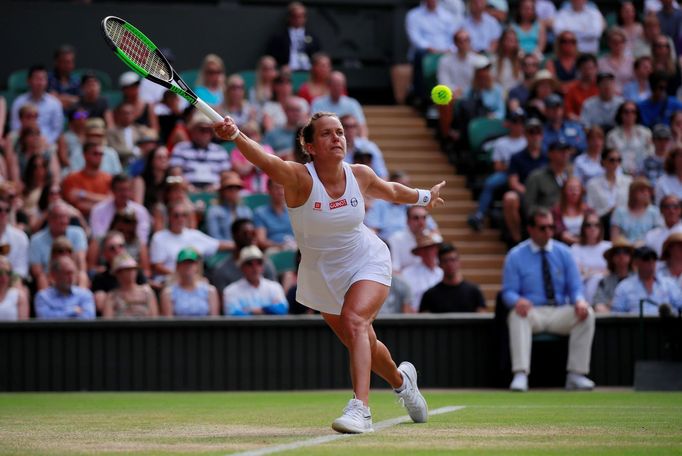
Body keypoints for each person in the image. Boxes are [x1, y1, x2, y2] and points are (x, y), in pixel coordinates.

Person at [213, 111, 441, 434]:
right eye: (326, 134)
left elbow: (389, 190)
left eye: (340, 132)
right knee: (363, 342)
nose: (337, 138)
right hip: (322, 274)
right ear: (309, 146)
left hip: (367, 260)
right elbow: (263, 160)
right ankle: (404, 383)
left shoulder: (359, 174)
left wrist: (425, 196)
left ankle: (360, 409)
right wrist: (236, 135)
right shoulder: (298, 178)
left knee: (355, 321)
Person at [501, 208, 595, 392]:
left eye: (551, 227)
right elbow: (508, 292)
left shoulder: (565, 253)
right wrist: (518, 301)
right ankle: (520, 374)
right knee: (516, 315)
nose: (548, 232)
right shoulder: (515, 255)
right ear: (530, 229)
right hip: (532, 312)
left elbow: (576, 287)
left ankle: (576, 374)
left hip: (559, 312)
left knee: (587, 314)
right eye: (543, 228)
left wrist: (579, 301)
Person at [468, 108, 527, 231]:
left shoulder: (527, 142)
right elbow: (497, 166)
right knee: (490, 182)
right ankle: (480, 214)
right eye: (515, 122)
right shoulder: (501, 143)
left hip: (526, 174)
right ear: (509, 124)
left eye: (522, 122)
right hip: (507, 173)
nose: (519, 126)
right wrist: (513, 167)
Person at [149, 201, 231, 283]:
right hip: (168, 281)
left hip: (193, 281)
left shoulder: (194, 235)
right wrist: (182, 275)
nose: (180, 219)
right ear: (169, 217)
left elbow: (218, 245)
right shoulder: (159, 237)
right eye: (176, 215)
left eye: (184, 215)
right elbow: (157, 267)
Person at [502, 117, 548, 245]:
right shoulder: (516, 157)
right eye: (531, 132)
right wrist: (530, 192)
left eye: (538, 132)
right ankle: (517, 240)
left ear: (542, 135)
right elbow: (513, 182)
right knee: (509, 197)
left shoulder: (548, 156)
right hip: (525, 193)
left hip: (546, 195)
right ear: (525, 135)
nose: (535, 136)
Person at [405, 0, 460, 106]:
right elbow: (415, 39)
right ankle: (422, 98)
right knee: (420, 55)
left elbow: (454, 37)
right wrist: (430, 48)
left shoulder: (448, 16)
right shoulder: (413, 15)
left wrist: (449, 49)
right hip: (425, 53)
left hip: (446, 52)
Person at [29, 201, 88, 291]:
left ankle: (80, 299)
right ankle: (47, 302)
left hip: (72, 275)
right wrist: (55, 278)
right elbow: (37, 272)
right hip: (49, 279)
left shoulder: (78, 233)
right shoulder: (36, 239)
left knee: (82, 274)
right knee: (41, 278)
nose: (63, 221)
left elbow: (81, 262)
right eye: (58, 217)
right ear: (49, 219)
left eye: (65, 217)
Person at [169, 111, 231, 192]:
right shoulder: (181, 148)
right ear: (193, 130)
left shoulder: (220, 151)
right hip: (187, 191)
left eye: (208, 130)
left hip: (215, 192)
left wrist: (216, 187)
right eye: (202, 129)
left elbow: (226, 175)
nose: (205, 133)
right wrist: (188, 187)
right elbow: (176, 173)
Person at [611, 245, 682, 315]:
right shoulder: (624, 287)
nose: (651, 262)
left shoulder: (669, 284)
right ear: (636, 262)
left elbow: (680, 306)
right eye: (646, 259)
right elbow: (616, 315)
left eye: (654, 259)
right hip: (636, 325)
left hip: (665, 325)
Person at [419, 242, 486, 312]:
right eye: (445, 261)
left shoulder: (473, 291)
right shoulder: (430, 295)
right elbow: (424, 320)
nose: (450, 264)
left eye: (453, 260)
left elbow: (482, 318)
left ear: (459, 262)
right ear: (439, 265)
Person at [223, 245, 289, 316]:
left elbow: (283, 309)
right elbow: (233, 314)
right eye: (249, 264)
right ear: (242, 267)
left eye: (259, 263)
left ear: (263, 267)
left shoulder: (275, 287)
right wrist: (268, 310)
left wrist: (255, 310)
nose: (255, 268)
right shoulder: (230, 290)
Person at [10, 65, 63, 145]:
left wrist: (46, 142)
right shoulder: (19, 102)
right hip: (23, 142)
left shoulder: (54, 103)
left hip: (47, 143)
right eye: (37, 79)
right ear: (29, 81)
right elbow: (15, 126)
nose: (40, 83)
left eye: (43, 79)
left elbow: (57, 129)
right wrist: (26, 141)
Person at [159, 247, 220, 317]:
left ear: (197, 265)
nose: (188, 266)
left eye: (191, 263)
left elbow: (214, 320)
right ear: (178, 266)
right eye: (184, 263)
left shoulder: (210, 291)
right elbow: (168, 322)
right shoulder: (168, 293)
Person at [90, 174, 151, 242]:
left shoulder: (141, 211)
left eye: (127, 189)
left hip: (131, 248)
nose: (125, 194)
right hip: (107, 247)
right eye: (121, 190)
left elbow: (142, 239)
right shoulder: (98, 210)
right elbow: (98, 237)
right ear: (113, 191)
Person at [60, 141, 112, 218]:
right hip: (79, 219)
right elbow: (77, 205)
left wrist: (83, 194)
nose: (99, 156)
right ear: (85, 155)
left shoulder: (108, 178)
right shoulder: (72, 178)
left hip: (104, 218)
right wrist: (102, 202)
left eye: (101, 154)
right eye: (95, 153)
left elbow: (111, 201)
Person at [265, 1, 321, 71]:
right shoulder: (278, 38)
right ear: (289, 17)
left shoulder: (313, 38)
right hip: (286, 72)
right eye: (295, 16)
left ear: (305, 18)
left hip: (309, 72)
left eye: (301, 16)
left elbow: (318, 56)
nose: (298, 19)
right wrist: (281, 67)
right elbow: (271, 58)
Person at [311, 71, 368, 138]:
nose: (337, 87)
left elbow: (362, 127)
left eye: (339, 85)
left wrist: (362, 142)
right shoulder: (317, 103)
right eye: (334, 84)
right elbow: (313, 126)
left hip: (348, 142)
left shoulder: (353, 104)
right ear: (329, 86)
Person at [524, 140, 572, 217]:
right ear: (550, 154)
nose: (565, 153)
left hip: (571, 218)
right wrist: (546, 211)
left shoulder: (572, 176)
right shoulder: (536, 177)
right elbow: (529, 206)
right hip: (546, 221)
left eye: (567, 150)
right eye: (561, 151)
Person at [570, 213, 611, 304]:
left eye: (596, 225)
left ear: (601, 228)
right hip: (583, 287)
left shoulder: (608, 247)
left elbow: (611, 270)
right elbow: (577, 271)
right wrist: (599, 271)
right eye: (589, 225)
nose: (593, 228)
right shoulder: (576, 248)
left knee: (596, 279)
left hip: (606, 287)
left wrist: (590, 272)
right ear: (583, 228)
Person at [102, 253, 158, 318]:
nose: (131, 272)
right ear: (118, 273)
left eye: (134, 269)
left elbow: (154, 318)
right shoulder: (111, 296)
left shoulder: (147, 292)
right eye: (127, 269)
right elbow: (107, 322)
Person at [606, 101, 654, 175]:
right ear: (620, 114)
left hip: (642, 174)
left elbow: (650, 154)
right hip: (619, 174)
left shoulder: (646, 133)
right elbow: (610, 158)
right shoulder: (612, 135)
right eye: (626, 111)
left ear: (637, 114)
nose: (629, 114)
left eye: (633, 112)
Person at [401, 232, 444, 313]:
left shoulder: (442, 273)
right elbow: (407, 301)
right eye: (425, 249)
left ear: (436, 250)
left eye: (432, 248)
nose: (429, 252)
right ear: (419, 252)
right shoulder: (408, 274)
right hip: (418, 317)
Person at [610, 177, 662, 243]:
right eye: (642, 191)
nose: (646, 194)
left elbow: (658, 237)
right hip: (626, 250)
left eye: (648, 191)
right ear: (633, 193)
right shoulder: (619, 212)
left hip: (648, 250)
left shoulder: (655, 212)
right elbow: (615, 239)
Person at [205, 172, 253, 242]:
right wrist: (235, 246)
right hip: (223, 249)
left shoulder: (246, 211)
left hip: (243, 248)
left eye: (237, 188)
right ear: (222, 191)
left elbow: (250, 235)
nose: (234, 191)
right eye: (230, 188)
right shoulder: (214, 211)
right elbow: (214, 237)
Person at [592, 237, 635, 312]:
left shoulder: (639, 279)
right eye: (617, 252)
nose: (621, 255)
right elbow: (598, 303)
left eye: (626, 252)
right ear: (612, 258)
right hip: (612, 320)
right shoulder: (604, 282)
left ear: (631, 257)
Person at [389, 206, 435, 273]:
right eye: (416, 218)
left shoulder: (434, 239)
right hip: (404, 280)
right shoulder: (395, 239)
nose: (421, 222)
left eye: (424, 218)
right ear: (407, 221)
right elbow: (395, 269)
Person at [340, 115, 387, 179]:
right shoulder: (334, 148)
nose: (350, 130)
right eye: (346, 127)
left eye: (353, 126)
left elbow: (382, 175)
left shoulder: (369, 147)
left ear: (357, 128)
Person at [254, 180, 295, 251]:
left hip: (294, 247)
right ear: (269, 190)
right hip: (273, 249)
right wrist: (281, 246)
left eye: (283, 188)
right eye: (277, 188)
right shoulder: (260, 213)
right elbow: (261, 241)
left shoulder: (293, 211)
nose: (281, 192)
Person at [550, 176, 591, 245]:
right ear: (564, 191)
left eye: (577, 189)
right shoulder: (555, 211)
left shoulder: (588, 210)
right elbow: (556, 230)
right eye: (570, 189)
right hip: (563, 245)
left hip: (585, 245)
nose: (574, 192)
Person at [0, 194, 29, 281]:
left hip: (11, 283)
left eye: (7, 210)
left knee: (20, 293)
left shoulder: (20, 237)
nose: (3, 213)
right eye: (0, 210)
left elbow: (21, 270)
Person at [597, 27, 634, 95]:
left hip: (628, 98)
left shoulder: (632, 62)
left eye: (620, 42)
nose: (617, 45)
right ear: (609, 43)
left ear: (624, 43)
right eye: (614, 42)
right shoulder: (601, 62)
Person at [564, 54, 599, 121]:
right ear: (579, 70)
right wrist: (582, 121)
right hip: (578, 124)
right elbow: (568, 112)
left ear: (596, 68)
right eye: (585, 68)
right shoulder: (572, 89)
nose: (589, 72)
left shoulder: (601, 87)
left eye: (591, 68)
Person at [491, 28, 524, 94]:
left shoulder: (521, 59)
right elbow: (493, 82)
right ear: (502, 41)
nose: (512, 42)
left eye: (514, 40)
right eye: (509, 39)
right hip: (500, 94)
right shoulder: (494, 60)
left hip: (517, 95)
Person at [47, 44, 80, 111]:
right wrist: (72, 99)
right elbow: (50, 100)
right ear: (57, 62)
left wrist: (60, 98)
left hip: (74, 116)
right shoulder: (48, 79)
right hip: (53, 115)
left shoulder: (76, 80)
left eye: (71, 62)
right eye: (65, 62)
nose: (69, 65)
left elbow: (81, 101)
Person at [0, 256, 28, 321]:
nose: (3, 276)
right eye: (0, 272)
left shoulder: (19, 296)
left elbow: (23, 325)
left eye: (7, 272)